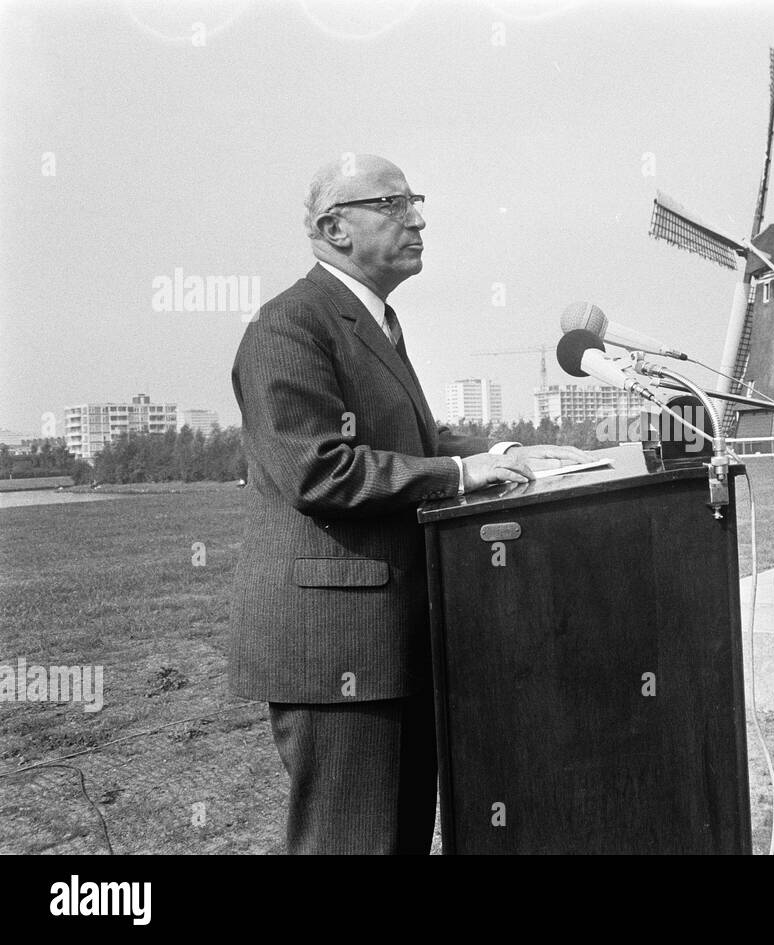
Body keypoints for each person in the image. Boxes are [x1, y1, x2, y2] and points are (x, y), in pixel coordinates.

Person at [229, 154, 591, 854]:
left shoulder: (370, 320)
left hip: (385, 639)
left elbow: (412, 440)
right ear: (336, 227)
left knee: (389, 842)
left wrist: (508, 455)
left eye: (414, 201)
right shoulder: (289, 325)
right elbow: (319, 470)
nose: (417, 217)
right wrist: (461, 471)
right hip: (339, 649)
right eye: (393, 203)